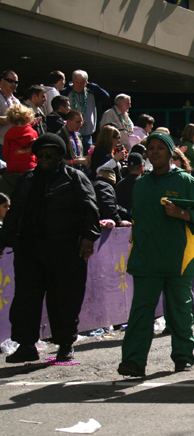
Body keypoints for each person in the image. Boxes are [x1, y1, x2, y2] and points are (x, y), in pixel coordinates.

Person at [1, 133, 100, 364]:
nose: (44, 158)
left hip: (65, 251)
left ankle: (65, 344)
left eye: (50, 154)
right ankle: (26, 345)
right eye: (41, 154)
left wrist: (88, 238)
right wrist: (3, 238)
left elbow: (90, 209)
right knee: (26, 299)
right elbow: (14, 214)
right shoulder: (26, 180)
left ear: (59, 155)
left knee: (65, 299)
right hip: (29, 250)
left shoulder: (75, 178)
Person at [117, 131, 194, 377]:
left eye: (160, 147)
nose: (154, 151)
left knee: (179, 311)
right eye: (151, 148)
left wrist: (182, 214)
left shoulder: (187, 182)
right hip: (146, 260)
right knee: (140, 314)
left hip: (179, 260)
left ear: (170, 152)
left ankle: (183, 356)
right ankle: (133, 362)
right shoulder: (141, 184)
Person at [62, 70, 108, 150]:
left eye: (82, 83)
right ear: (72, 81)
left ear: (86, 82)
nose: (79, 85)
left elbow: (105, 96)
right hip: (71, 134)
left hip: (87, 135)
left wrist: (90, 85)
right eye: (77, 82)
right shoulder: (66, 92)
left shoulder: (90, 92)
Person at [2, 104, 38, 175]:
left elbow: (5, 152)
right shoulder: (33, 132)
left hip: (12, 165)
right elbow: (36, 150)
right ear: (28, 118)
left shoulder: (9, 133)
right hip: (29, 165)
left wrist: (9, 162)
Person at [0, 70, 22, 155]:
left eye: (16, 82)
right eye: (10, 81)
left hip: (13, 144)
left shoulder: (16, 101)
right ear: (2, 81)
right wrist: (12, 118)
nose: (13, 84)